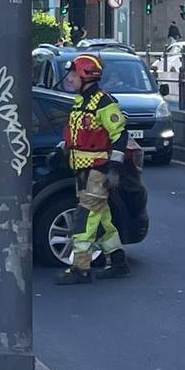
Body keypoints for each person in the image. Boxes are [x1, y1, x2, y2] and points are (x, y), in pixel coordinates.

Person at [56, 54, 131, 285]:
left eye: (73, 75)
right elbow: (76, 134)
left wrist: (114, 168)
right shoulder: (81, 102)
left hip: (98, 169)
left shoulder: (104, 103)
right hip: (83, 170)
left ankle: (81, 268)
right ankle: (118, 262)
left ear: (84, 76)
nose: (69, 79)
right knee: (102, 220)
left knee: (85, 218)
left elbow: (120, 135)